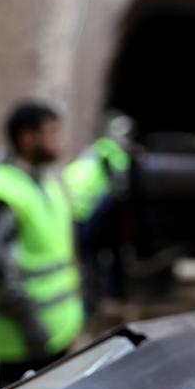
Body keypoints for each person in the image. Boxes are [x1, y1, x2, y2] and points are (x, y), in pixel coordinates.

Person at [0, 101, 83, 389]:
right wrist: (32, 327)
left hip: (56, 331)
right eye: (52, 133)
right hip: (23, 338)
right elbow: (0, 271)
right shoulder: (0, 191)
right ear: (26, 138)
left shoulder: (45, 182)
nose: (60, 141)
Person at [63, 112, 134, 315]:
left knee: (89, 263)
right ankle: (109, 299)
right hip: (96, 212)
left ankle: (91, 305)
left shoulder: (93, 151)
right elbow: (120, 189)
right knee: (106, 259)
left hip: (79, 214)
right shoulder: (114, 155)